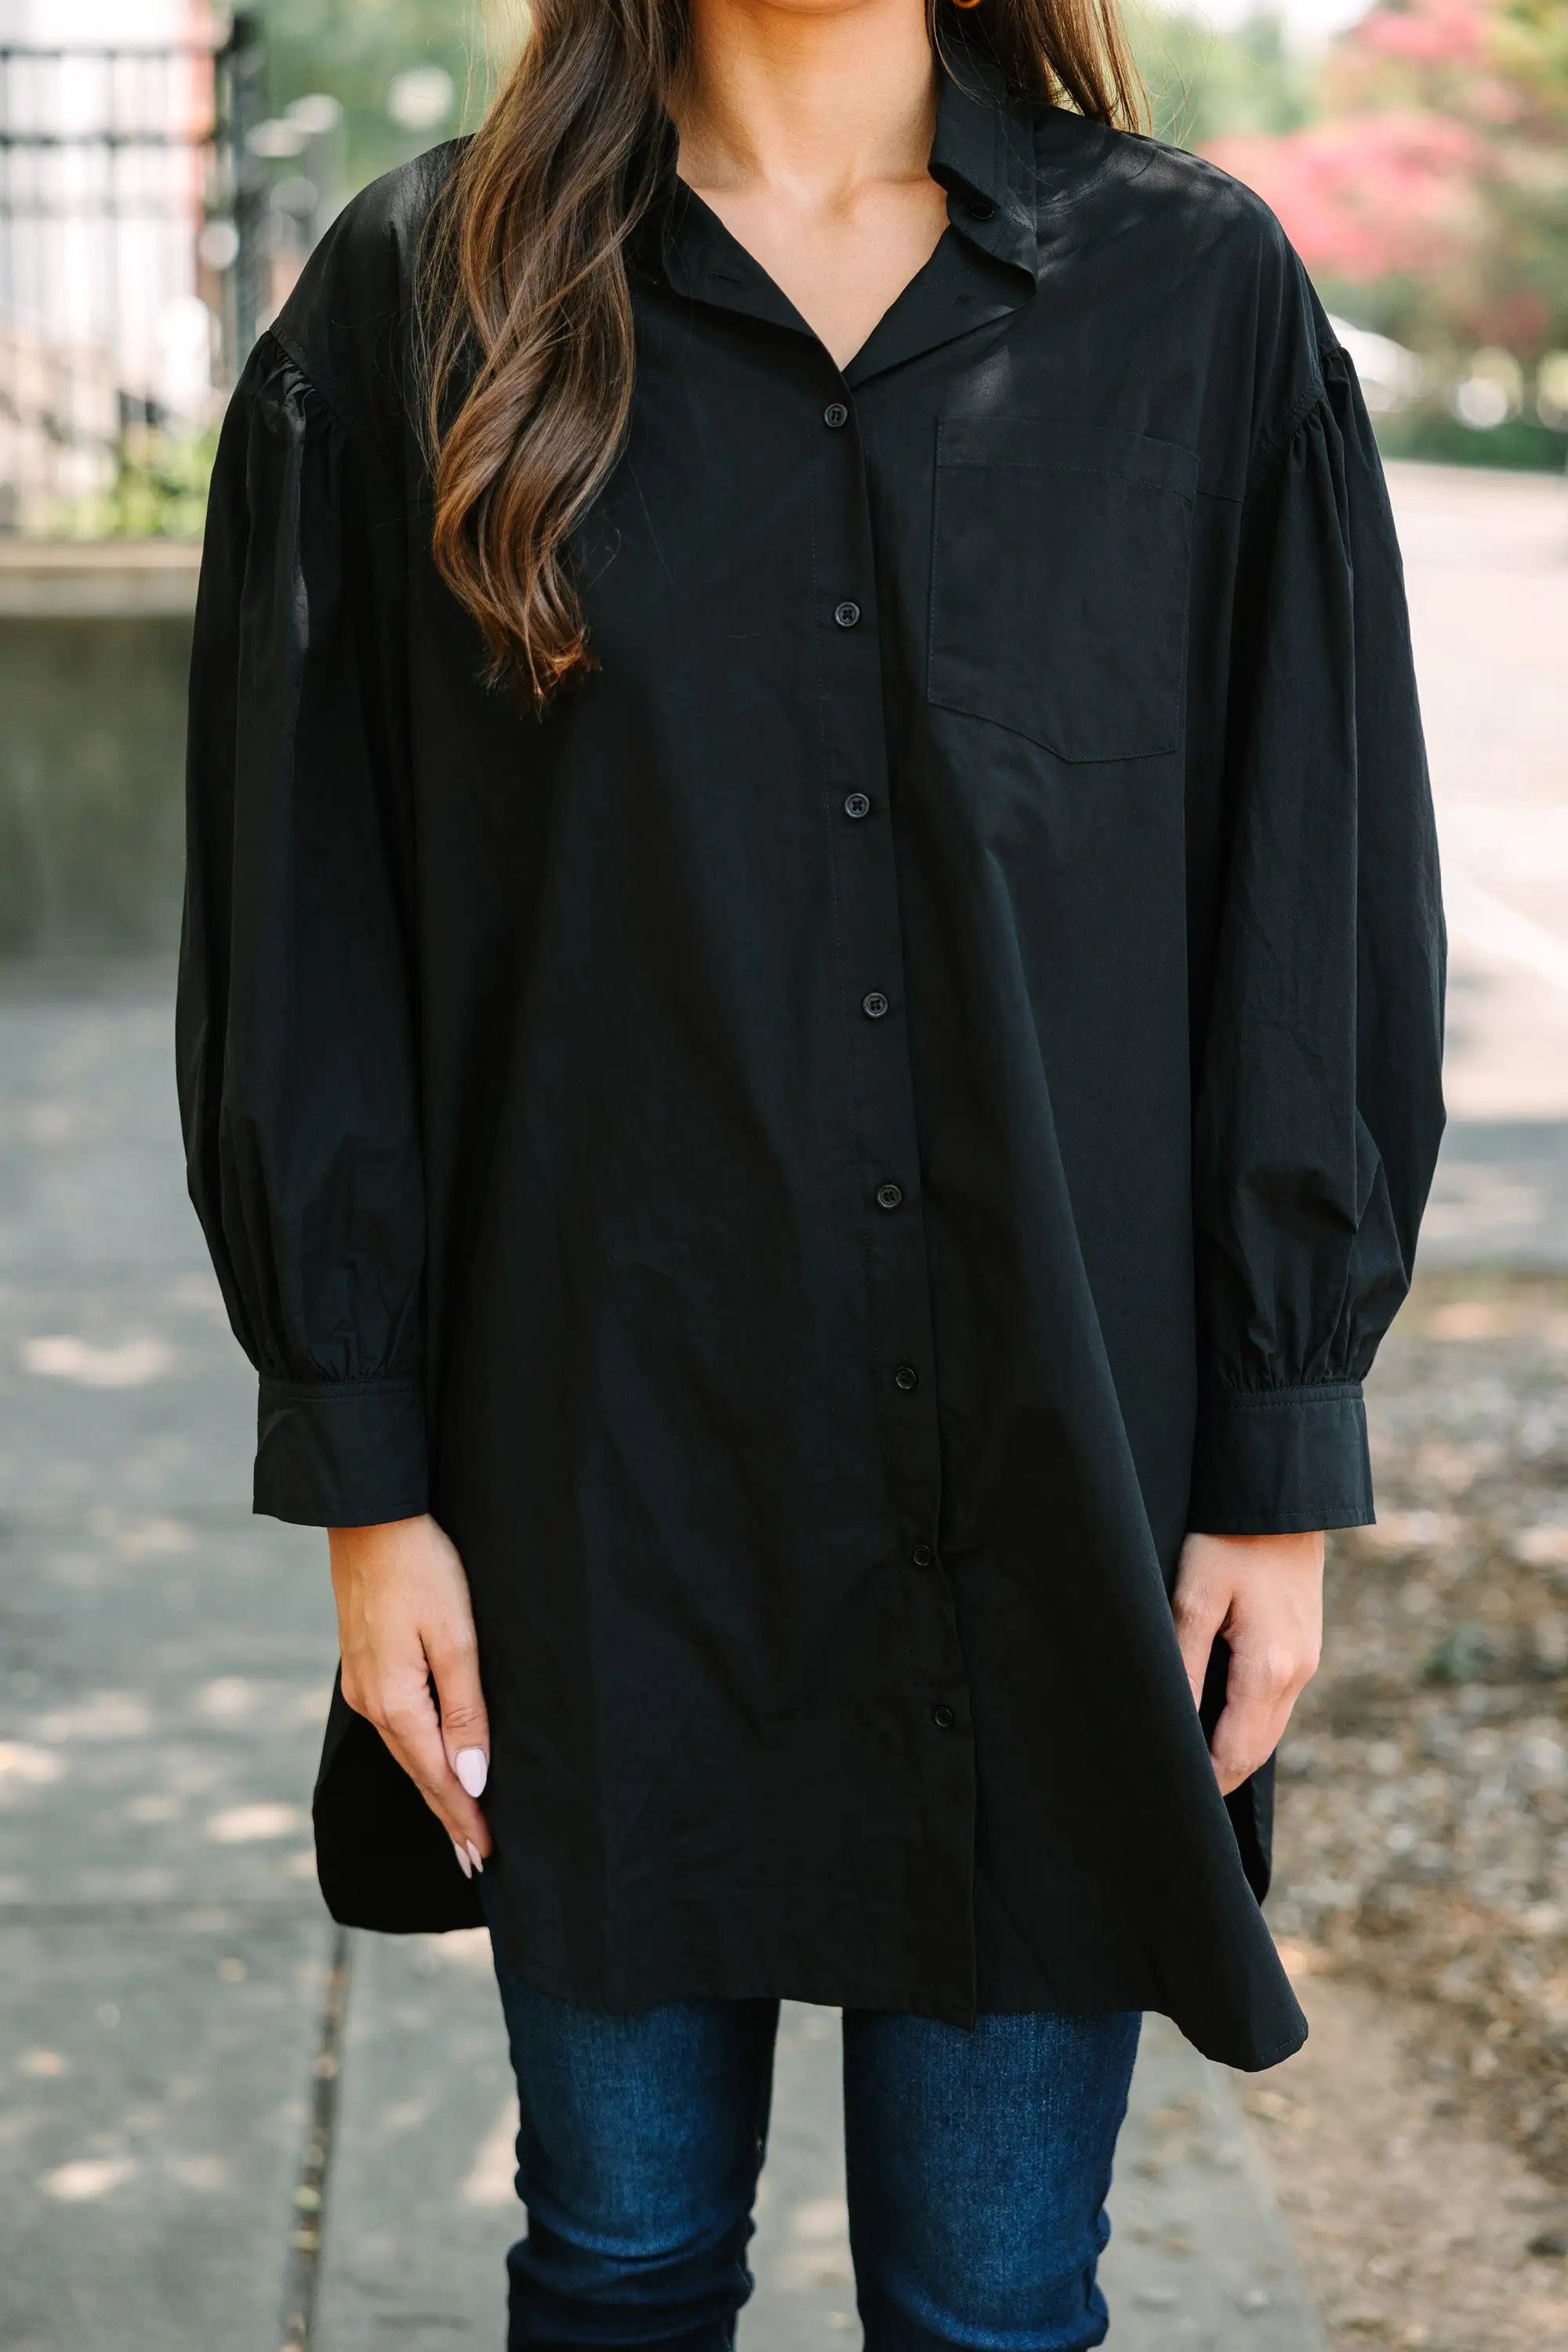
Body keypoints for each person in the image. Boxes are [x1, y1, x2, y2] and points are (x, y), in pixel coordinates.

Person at [177, 0, 1446, 2338]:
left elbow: (1310, 901)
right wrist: (367, 1478)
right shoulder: (414, 298)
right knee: (626, 2262)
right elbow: (306, 933)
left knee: (989, 2298)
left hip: (1061, 1502)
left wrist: (1280, 1450)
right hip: (598, 1502)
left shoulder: (1192, 297)